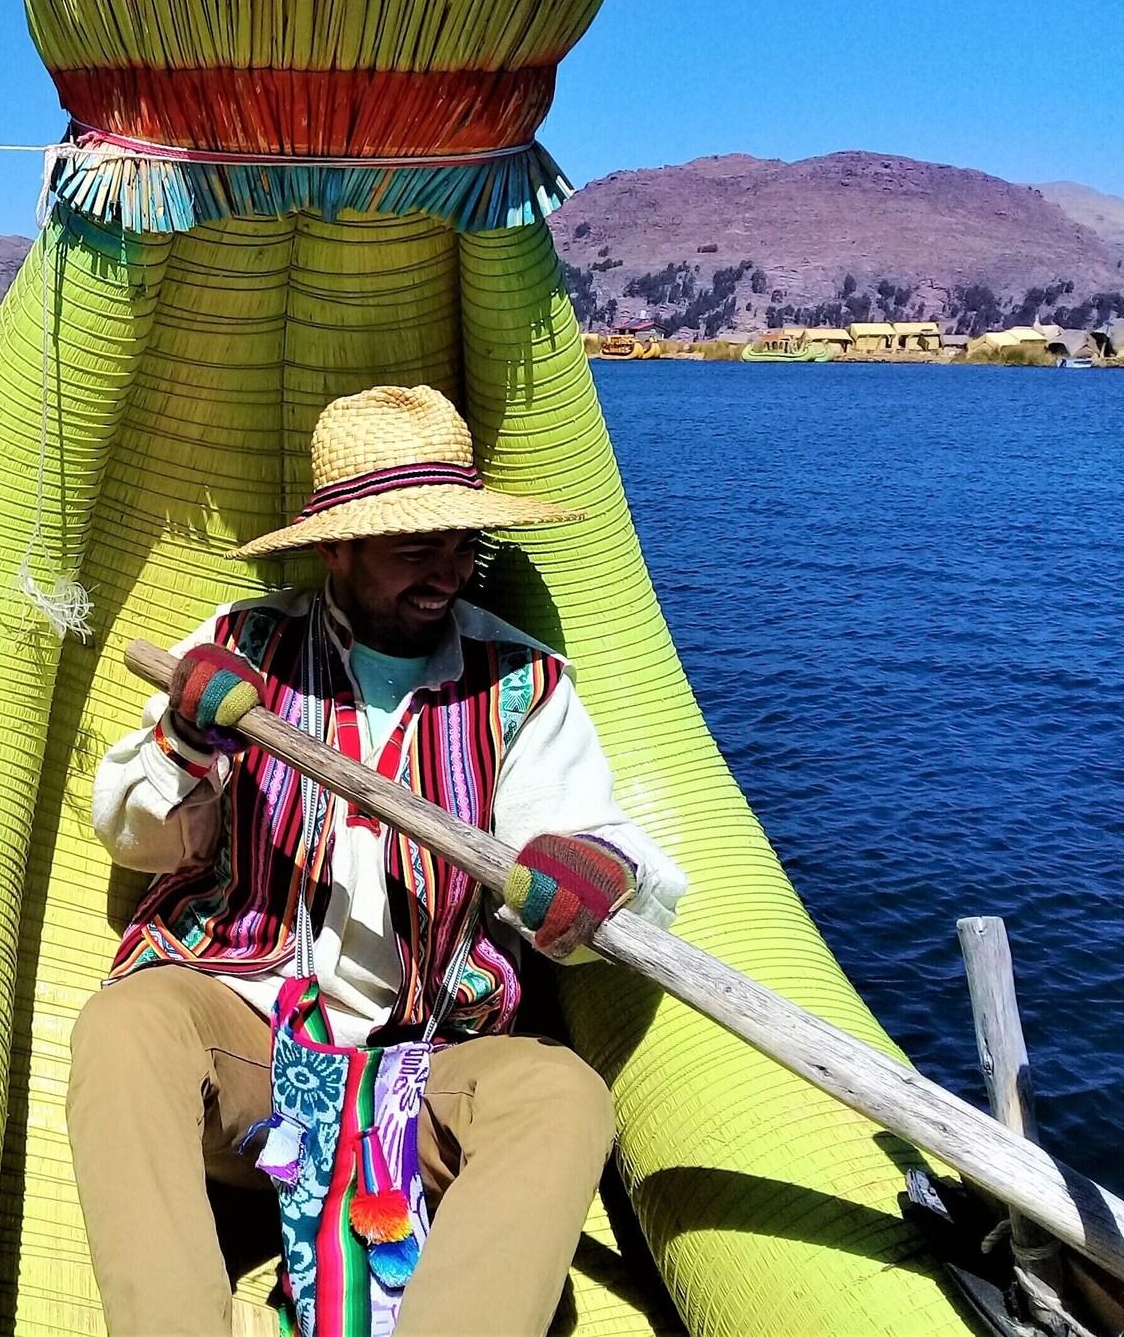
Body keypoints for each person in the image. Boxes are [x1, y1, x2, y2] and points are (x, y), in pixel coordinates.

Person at [70, 385, 688, 1336]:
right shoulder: (240, 646)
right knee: (125, 1026)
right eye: (414, 549)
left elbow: (594, 848)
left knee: (564, 1094)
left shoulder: (523, 684)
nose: (447, 573)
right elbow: (132, 835)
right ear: (337, 550)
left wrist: (599, 875)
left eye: (461, 545)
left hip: (428, 1066)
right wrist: (185, 741)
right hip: (254, 1049)